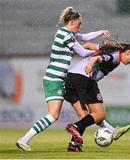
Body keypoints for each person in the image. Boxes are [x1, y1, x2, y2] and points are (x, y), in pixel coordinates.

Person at [16, 6, 110, 151]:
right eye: (79, 24)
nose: (80, 27)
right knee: (53, 115)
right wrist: (103, 50)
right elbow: (83, 52)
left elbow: (84, 37)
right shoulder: (65, 35)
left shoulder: (67, 33)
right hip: (54, 79)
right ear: (71, 22)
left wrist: (101, 32)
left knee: (76, 113)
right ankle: (24, 140)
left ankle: (26, 140)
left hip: (58, 78)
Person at [65, 41, 130, 152]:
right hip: (85, 78)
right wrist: (90, 65)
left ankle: (74, 145)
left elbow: (88, 45)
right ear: (128, 52)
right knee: (99, 114)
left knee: (85, 116)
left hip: (70, 77)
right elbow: (96, 59)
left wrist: (74, 53)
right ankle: (75, 126)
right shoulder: (114, 57)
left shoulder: (107, 49)